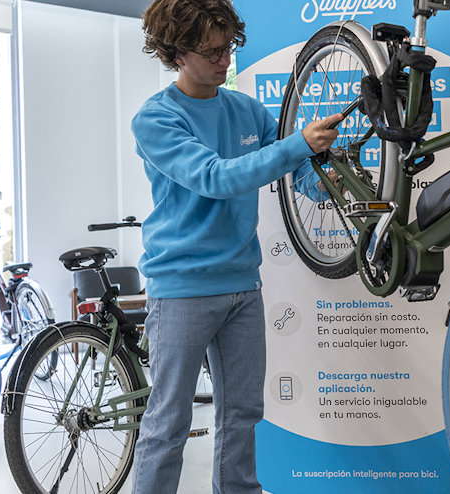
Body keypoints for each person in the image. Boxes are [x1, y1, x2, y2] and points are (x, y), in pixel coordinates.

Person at [130, 1, 341, 493]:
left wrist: (329, 180)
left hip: (243, 286)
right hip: (182, 289)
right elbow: (215, 178)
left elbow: (298, 173)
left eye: (228, 48)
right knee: (168, 425)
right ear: (177, 53)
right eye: (212, 52)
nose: (226, 62)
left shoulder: (246, 109)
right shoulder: (156, 120)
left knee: (242, 417)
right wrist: (298, 147)